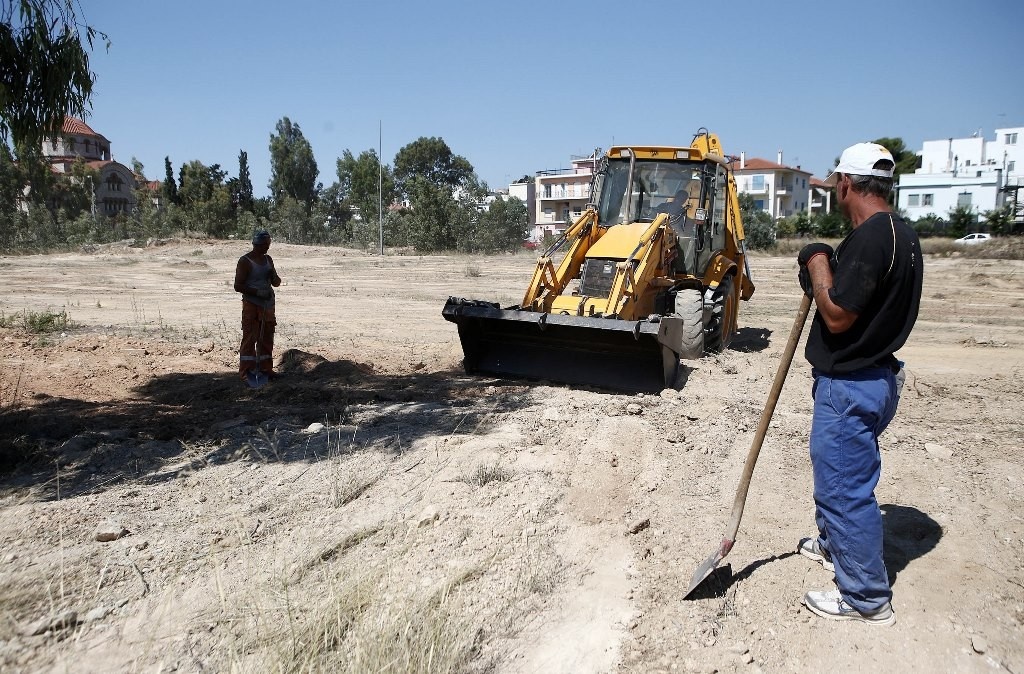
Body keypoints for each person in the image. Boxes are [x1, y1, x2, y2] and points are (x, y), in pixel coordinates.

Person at [795, 142, 923, 626]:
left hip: (850, 386)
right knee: (839, 478)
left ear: (846, 184)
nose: (833, 193)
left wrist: (816, 262)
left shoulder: (872, 238)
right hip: (875, 377)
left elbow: (838, 314)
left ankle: (865, 597)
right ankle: (834, 546)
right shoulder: (904, 234)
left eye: (835, 186)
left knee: (845, 490)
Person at [234, 230, 282, 381]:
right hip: (251, 305)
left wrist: (273, 277)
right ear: (256, 245)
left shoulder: (268, 260)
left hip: (267, 305)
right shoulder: (245, 261)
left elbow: (276, 283)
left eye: (268, 245)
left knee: (267, 337)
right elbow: (238, 285)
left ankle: (265, 369)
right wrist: (257, 292)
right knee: (250, 337)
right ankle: (246, 372)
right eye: (264, 245)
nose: (267, 248)